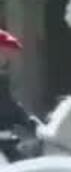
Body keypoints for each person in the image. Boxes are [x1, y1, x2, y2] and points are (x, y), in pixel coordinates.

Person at [0, 29, 40, 162]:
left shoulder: (4, 79)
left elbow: (11, 105)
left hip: (9, 141)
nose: (6, 56)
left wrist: (30, 121)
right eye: (3, 51)